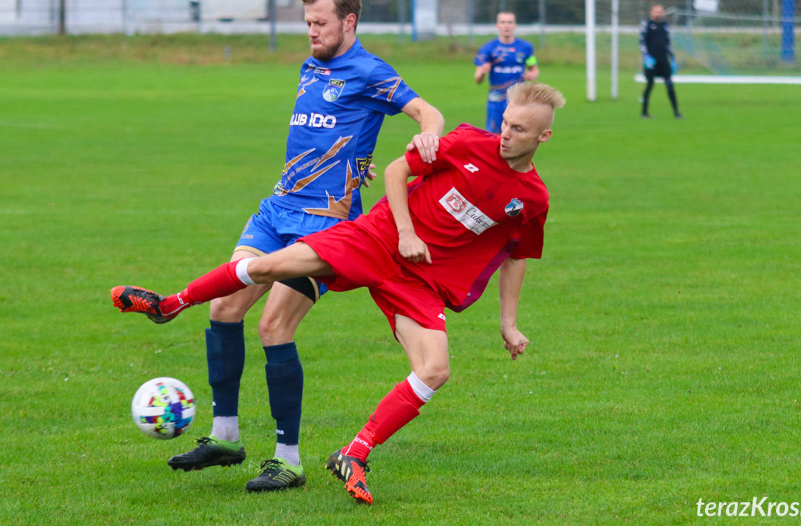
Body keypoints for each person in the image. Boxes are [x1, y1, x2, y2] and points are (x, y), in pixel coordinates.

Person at [112, 82, 566, 505]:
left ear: (543, 137)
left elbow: (516, 254)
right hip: (378, 237)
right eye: (504, 122)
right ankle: (171, 304)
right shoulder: (469, 142)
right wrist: (406, 231)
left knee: (435, 369)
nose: (505, 134)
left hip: (419, 279)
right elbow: (395, 170)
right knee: (272, 264)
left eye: (518, 129)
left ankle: (354, 453)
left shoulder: (533, 198)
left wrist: (508, 323)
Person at [118, 0, 444, 494]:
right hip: (277, 210)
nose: (311, 32)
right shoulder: (310, 66)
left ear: (349, 21)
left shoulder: (369, 71)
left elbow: (426, 110)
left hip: (326, 226)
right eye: (307, 23)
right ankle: (225, 437)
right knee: (224, 309)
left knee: (273, 326)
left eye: (320, 23)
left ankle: (287, 460)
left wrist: (428, 131)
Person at [474, 11, 539, 134]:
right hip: (496, 100)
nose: (506, 26)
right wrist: (482, 72)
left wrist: (533, 74)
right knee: (495, 136)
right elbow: (477, 79)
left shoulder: (526, 47)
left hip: (517, 100)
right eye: (503, 22)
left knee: (518, 134)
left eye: (510, 22)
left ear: (515, 26)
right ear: (497, 26)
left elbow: (534, 68)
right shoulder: (488, 48)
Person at [640, 3, 682, 119]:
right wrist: (646, 57)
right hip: (652, 61)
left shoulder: (665, 25)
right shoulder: (646, 24)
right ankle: (644, 112)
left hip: (664, 60)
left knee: (669, 85)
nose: (659, 13)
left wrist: (672, 58)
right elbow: (642, 42)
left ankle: (676, 112)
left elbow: (668, 43)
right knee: (649, 85)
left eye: (661, 11)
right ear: (651, 12)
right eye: (656, 11)